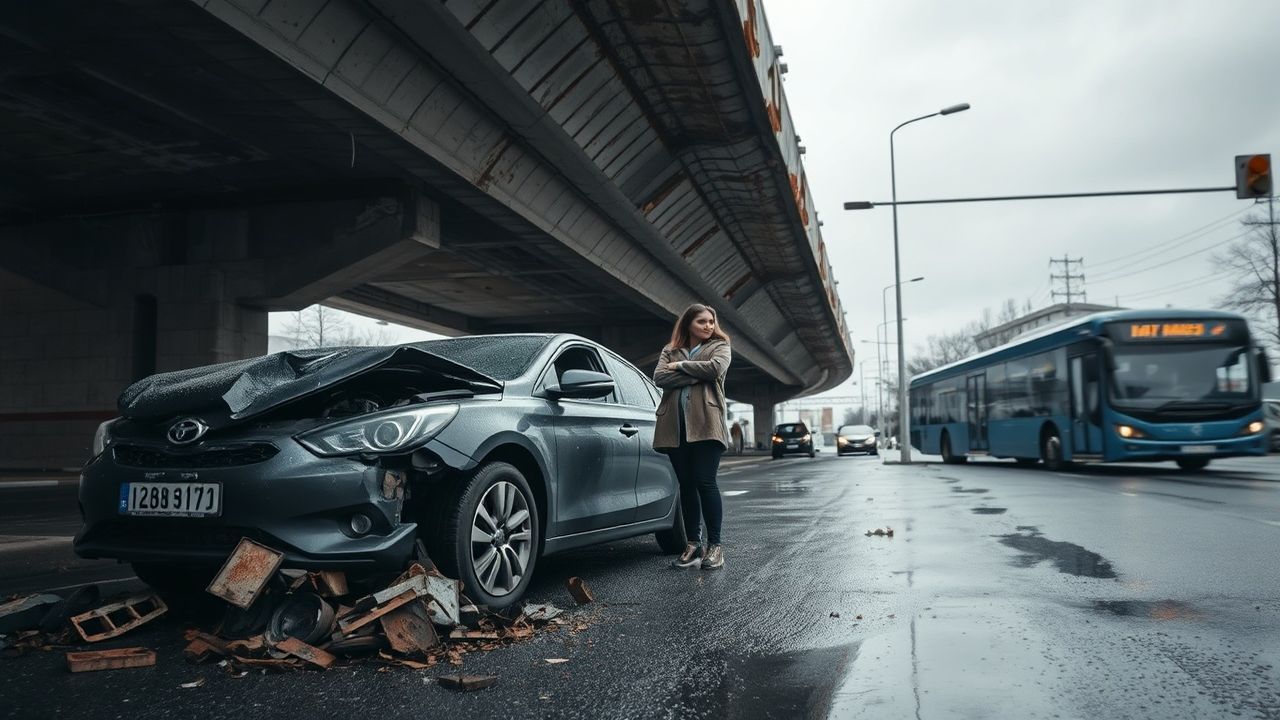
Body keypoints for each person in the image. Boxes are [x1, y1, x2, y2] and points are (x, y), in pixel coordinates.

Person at [653, 303, 732, 570]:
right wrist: (695, 375)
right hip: (675, 426)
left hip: (707, 423)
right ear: (688, 324)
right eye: (702, 322)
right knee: (686, 485)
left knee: (705, 482)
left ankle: (715, 546)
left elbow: (715, 370)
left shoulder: (720, 346)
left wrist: (681, 366)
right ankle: (693, 544)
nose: (708, 326)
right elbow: (659, 377)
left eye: (711, 321)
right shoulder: (670, 349)